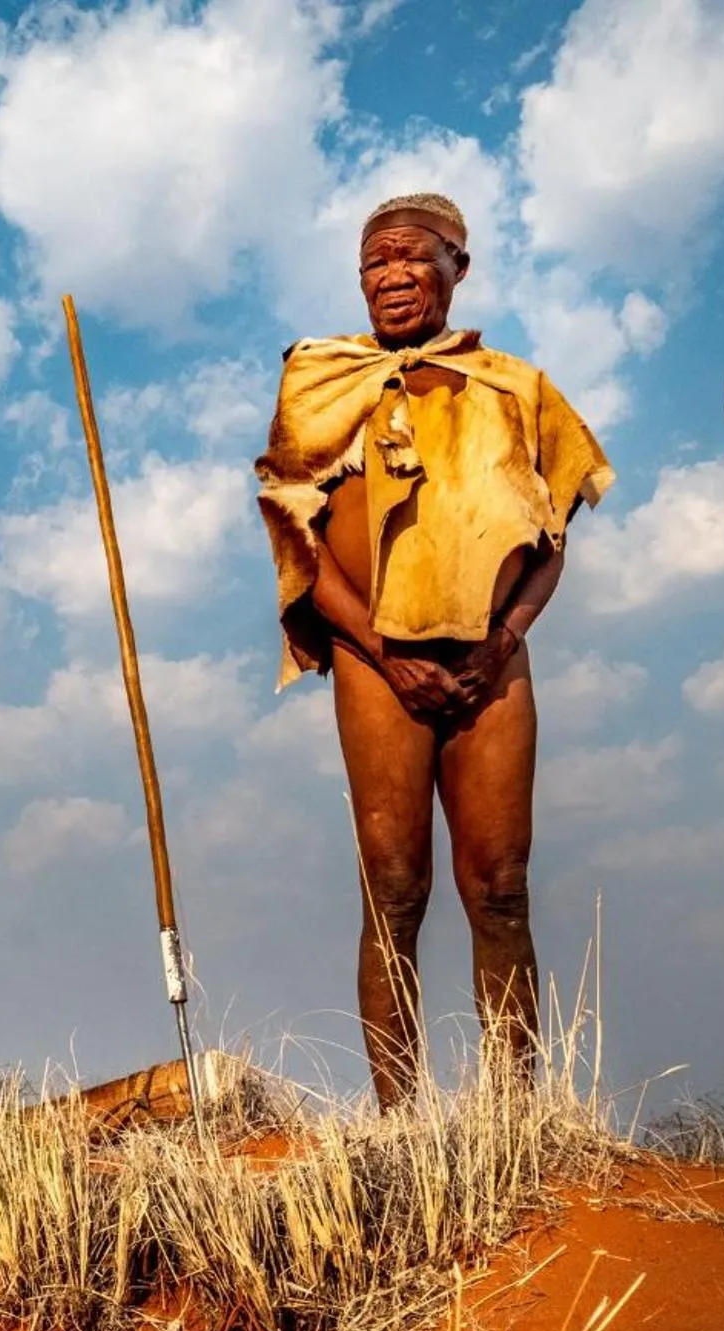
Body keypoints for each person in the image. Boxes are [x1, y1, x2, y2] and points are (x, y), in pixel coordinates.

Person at [254, 194, 613, 1106]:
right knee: (396, 889)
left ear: (459, 265)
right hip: (379, 664)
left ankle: (512, 1120)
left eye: (413, 258)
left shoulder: (514, 386)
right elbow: (298, 546)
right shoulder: (320, 381)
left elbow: (551, 542)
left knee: (499, 889)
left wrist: (505, 641)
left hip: (492, 662)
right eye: (374, 263)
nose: (392, 278)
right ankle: (404, 1126)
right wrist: (384, 648)